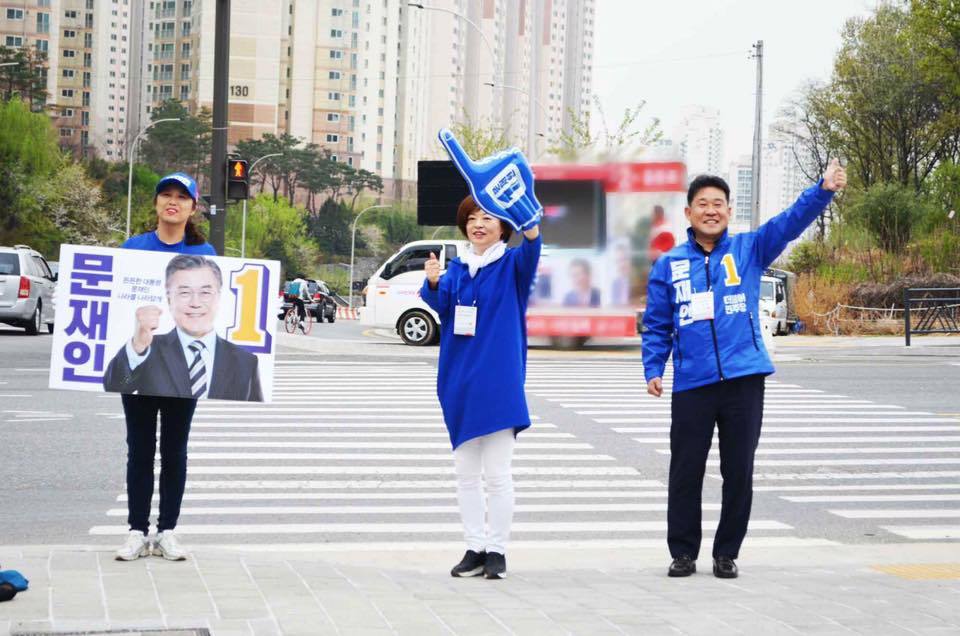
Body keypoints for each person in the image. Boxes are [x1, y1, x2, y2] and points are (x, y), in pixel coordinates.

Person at [642, 159, 847, 579]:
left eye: (719, 203)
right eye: (702, 204)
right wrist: (653, 368)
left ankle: (726, 553)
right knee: (685, 470)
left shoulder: (749, 249)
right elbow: (657, 322)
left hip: (743, 380)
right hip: (693, 383)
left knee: (739, 470)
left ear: (729, 211)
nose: (711, 210)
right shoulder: (669, 264)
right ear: (689, 213)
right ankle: (682, 552)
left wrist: (822, 190)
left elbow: (790, 223)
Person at [421, 194, 541, 580]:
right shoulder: (456, 269)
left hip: (500, 385)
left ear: (503, 226)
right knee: (466, 474)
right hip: (459, 383)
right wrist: (433, 281)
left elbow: (533, 245)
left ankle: (497, 551)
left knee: (497, 474)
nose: (479, 224)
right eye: (472, 218)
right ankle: (474, 546)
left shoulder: (512, 266)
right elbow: (441, 309)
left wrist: (528, 217)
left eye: (488, 217)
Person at [108, 172, 215, 563]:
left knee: (175, 451)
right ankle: (137, 531)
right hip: (137, 366)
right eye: (166, 195)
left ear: (192, 207)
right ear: (156, 203)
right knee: (138, 449)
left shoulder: (206, 253)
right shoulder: (132, 248)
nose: (173, 202)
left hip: (183, 369)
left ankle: (168, 530)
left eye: (181, 197)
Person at [103, 254, 264, 402]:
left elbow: (255, 417)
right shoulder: (148, 350)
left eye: (205, 292)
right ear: (169, 298)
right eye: (184, 292)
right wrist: (137, 346)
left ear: (219, 296)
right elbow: (115, 387)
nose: (195, 303)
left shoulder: (246, 362)